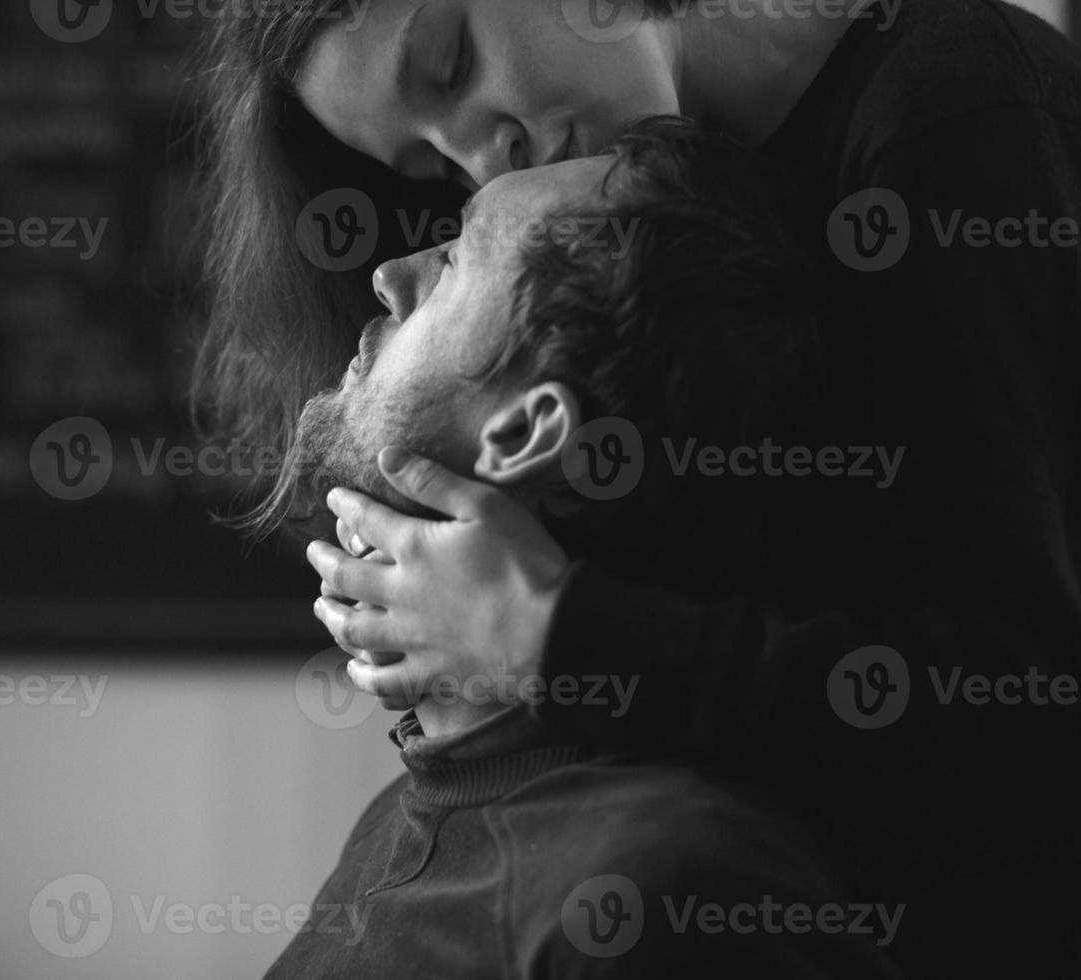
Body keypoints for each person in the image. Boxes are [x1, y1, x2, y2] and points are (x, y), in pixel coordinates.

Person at [196, 0, 1081, 972]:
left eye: (449, 61)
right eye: (434, 165)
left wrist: (550, 631)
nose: (487, 158)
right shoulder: (652, 236)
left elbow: (1053, 724)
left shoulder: (959, 113)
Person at [259, 117, 900, 979]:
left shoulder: (668, 891)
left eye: (453, 258)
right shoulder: (397, 822)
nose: (386, 275)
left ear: (525, 430)